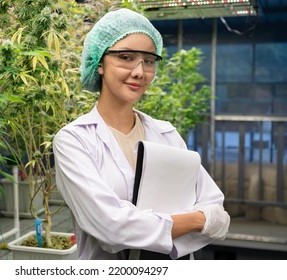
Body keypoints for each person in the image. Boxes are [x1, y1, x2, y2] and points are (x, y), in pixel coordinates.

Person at [53, 8, 230, 260]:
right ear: (99, 63)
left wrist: (143, 225)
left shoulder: (166, 134)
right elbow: (111, 227)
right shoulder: (74, 140)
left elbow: (217, 215)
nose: (139, 72)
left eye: (148, 60)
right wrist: (193, 221)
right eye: (126, 57)